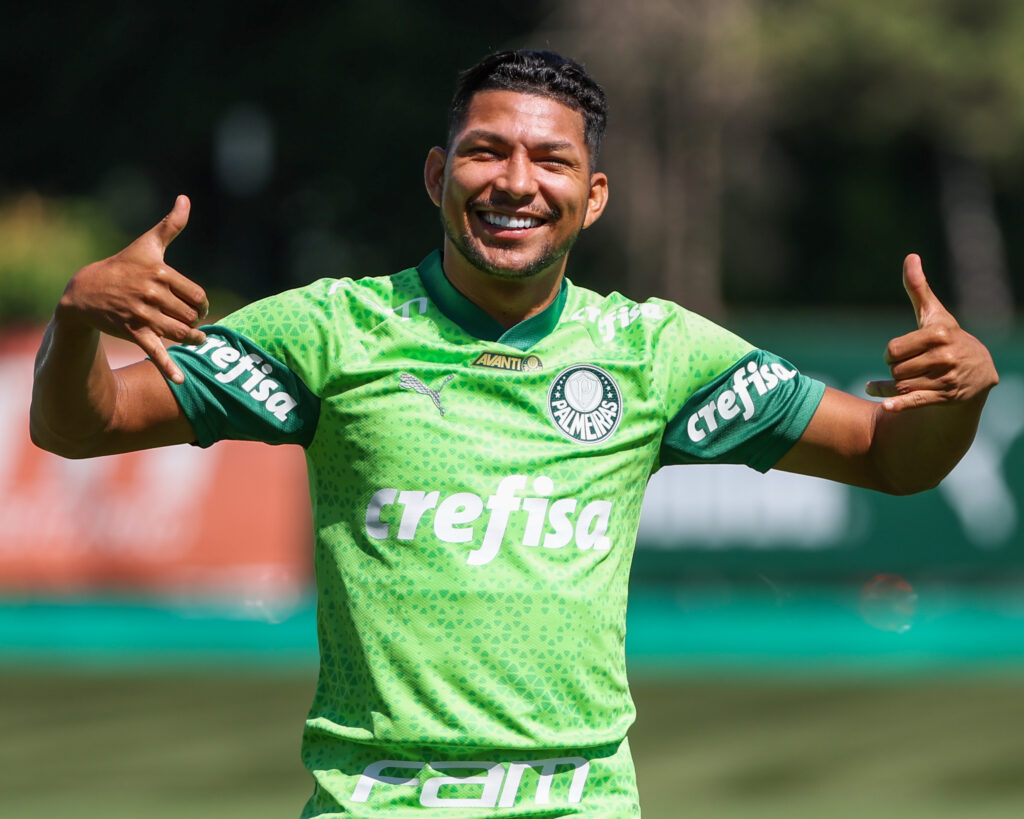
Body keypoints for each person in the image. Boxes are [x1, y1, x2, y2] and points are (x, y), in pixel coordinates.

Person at [31, 50, 997, 818]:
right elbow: (83, 425)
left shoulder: (653, 350)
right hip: (375, 806)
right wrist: (76, 316)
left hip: (583, 802)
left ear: (596, 193)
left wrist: (960, 399)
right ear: (437, 173)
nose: (516, 182)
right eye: (487, 151)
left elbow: (887, 457)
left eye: (553, 160)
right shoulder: (331, 330)